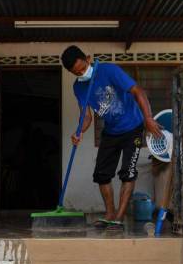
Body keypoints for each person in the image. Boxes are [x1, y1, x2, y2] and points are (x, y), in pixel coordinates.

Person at [61, 45, 162, 230]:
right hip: (111, 131)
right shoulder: (79, 87)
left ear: (88, 59)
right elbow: (87, 116)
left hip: (133, 127)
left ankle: (119, 218)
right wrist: (78, 132)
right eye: (76, 72)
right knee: (101, 174)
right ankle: (109, 213)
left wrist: (148, 118)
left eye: (83, 68)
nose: (82, 73)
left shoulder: (109, 71)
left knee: (127, 172)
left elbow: (138, 91)